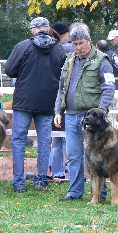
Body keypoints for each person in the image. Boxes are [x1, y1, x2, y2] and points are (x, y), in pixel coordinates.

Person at [4, 17, 67, 193]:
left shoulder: (23, 46)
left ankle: (18, 182)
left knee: (18, 140)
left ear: (33, 30)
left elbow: (9, 70)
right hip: (47, 101)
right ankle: (41, 180)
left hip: (23, 100)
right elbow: (64, 73)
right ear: (47, 29)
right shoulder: (59, 49)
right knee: (45, 141)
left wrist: (23, 71)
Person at [54, 25, 115, 201]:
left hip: (94, 120)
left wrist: (102, 110)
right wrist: (58, 110)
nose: (78, 47)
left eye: (81, 43)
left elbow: (109, 88)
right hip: (71, 116)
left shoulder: (102, 60)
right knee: (73, 156)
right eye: (75, 44)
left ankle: (100, 193)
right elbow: (61, 89)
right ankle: (74, 192)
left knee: (98, 158)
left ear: (89, 41)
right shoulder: (69, 61)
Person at [48, 22, 75, 180]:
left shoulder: (55, 51)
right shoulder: (67, 50)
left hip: (53, 99)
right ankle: (72, 172)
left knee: (57, 139)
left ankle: (57, 171)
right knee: (69, 140)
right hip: (65, 100)